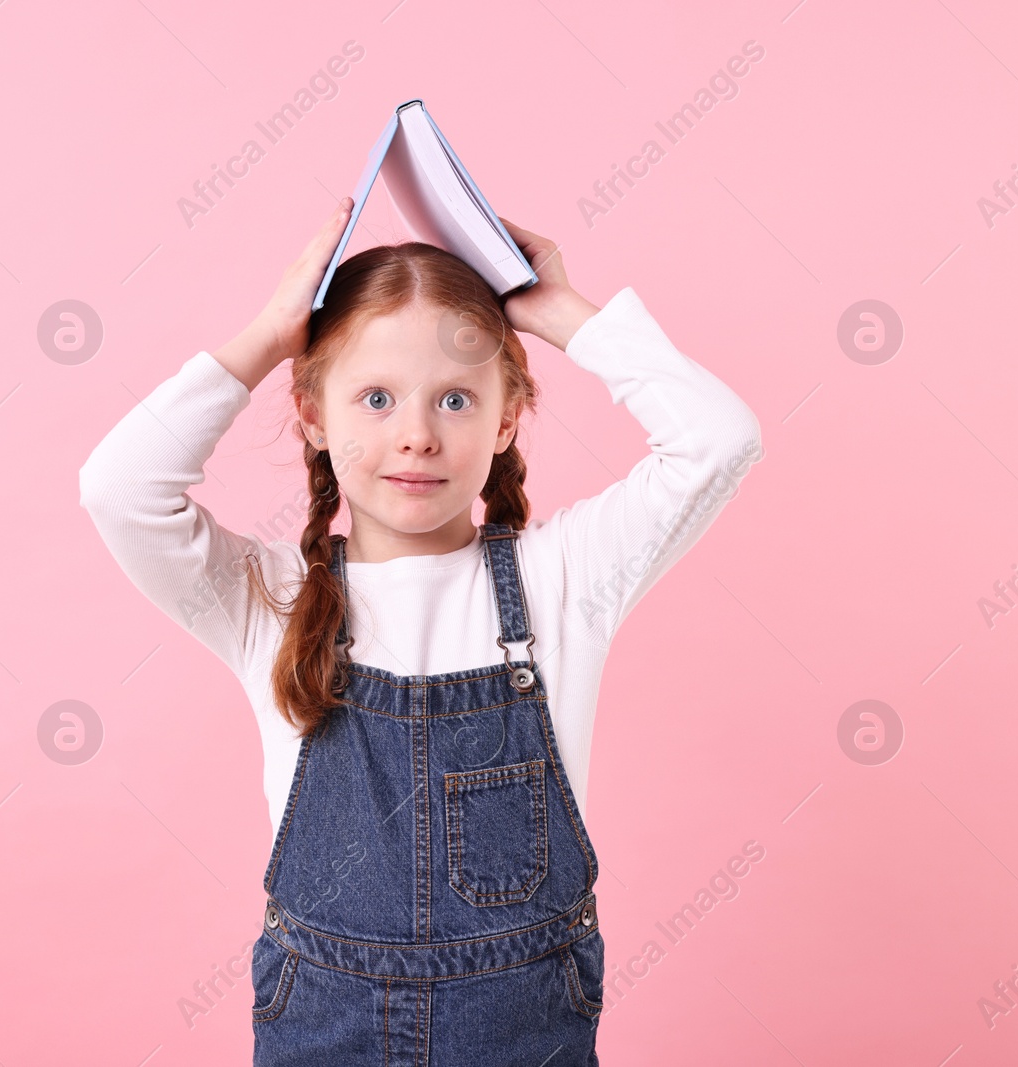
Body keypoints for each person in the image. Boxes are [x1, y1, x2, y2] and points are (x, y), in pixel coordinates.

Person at [77, 197, 763, 1064]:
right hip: (324, 1031)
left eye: (455, 397)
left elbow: (719, 439)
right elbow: (119, 489)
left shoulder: (564, 578)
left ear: (506, 418)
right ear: (314, 418)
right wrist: (265, 336)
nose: (416, 435)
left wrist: (556, 311)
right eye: (374, 397)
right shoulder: (271, 597)